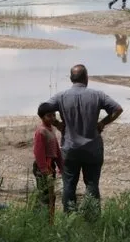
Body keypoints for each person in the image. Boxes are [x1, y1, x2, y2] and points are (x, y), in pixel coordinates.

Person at [46, 64, 123, 213]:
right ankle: (92, 217)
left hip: (70, 148)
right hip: (92, 148)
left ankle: (69, 217)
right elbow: (118, 109)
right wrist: (102, 123)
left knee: (69, 184)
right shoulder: (97, 95)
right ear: (86, 78)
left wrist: (57, 124)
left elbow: (42, 109)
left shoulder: (61, 96)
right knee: (92, 184)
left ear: (71, 79)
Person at [33, 102, 63, 224]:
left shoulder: (51, 130)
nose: (52, 118)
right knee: (44, 195)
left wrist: (61, 166)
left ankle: (49, 221)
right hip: (43, 167)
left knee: (50, 195)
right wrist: (44, 169)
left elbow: (56, 150)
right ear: (42, 117)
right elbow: (38, 152)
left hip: (51, 166)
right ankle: (39, 220)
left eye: (54, 115)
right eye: (49, 116)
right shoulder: (41, 132)